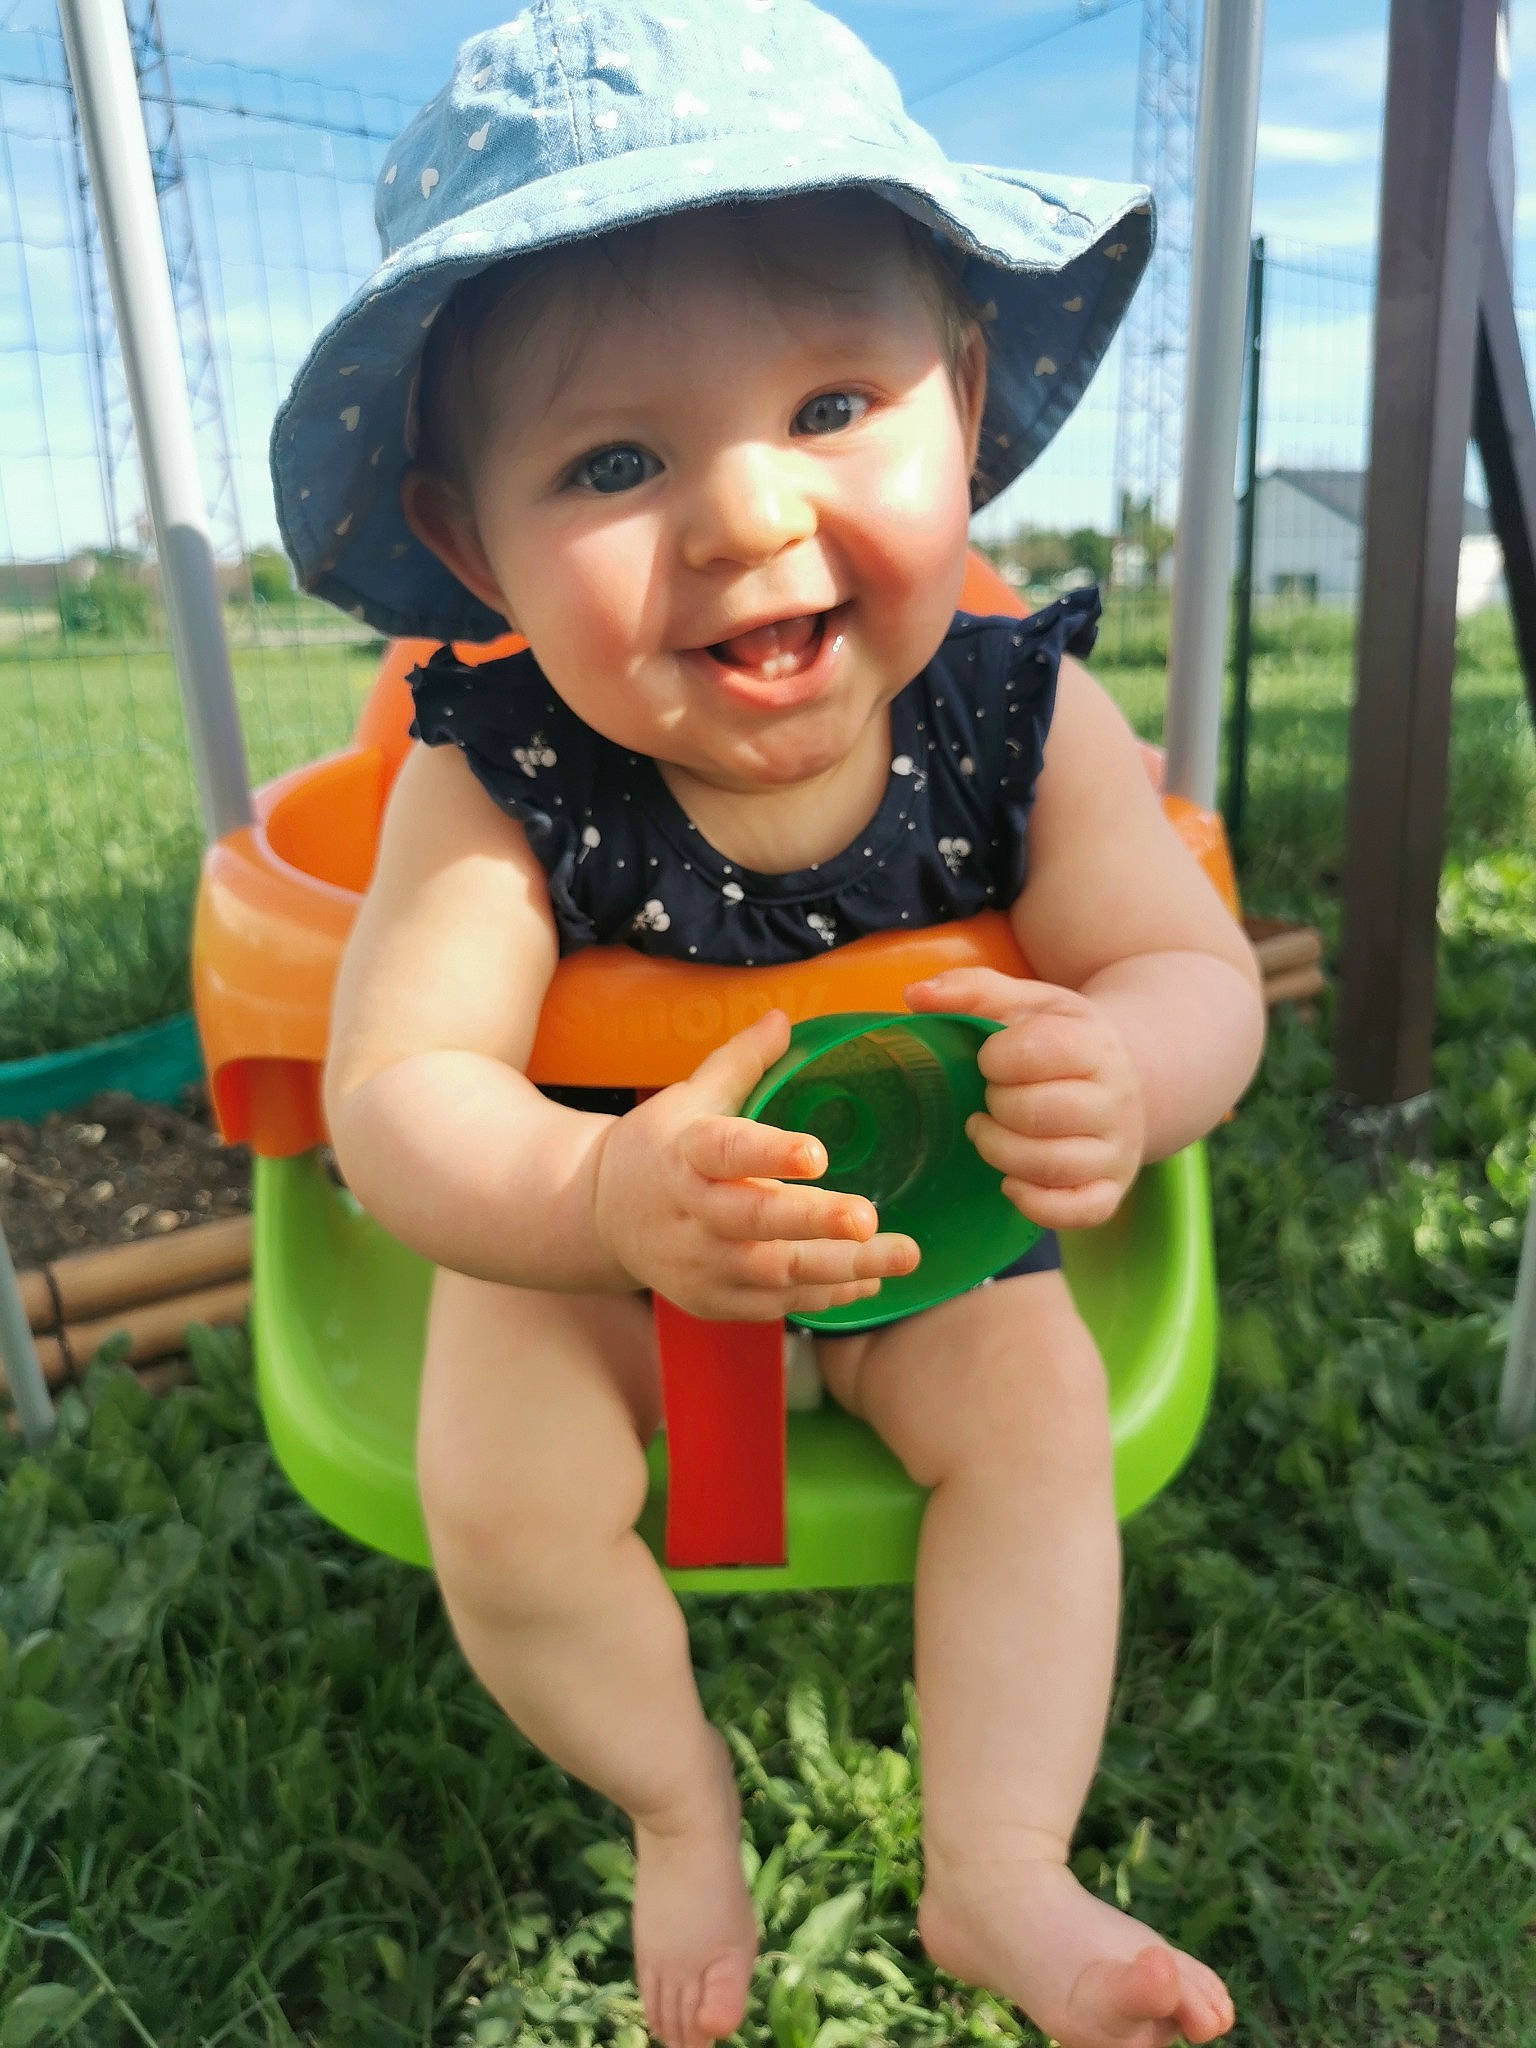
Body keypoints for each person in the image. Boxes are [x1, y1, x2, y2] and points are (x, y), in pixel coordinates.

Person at [271, 5, 1264, 2044]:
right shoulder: (498, 777)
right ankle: (675, 1802)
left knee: (1037, 1419)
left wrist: (1135, 1065)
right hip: (609, 1276)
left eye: (830, 403)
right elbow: (396, 1094)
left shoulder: (1022, 717)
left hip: (926, 1252)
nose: (742, 514)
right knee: (500, 1475)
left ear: (962, 408)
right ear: (477, 545)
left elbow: (1190, 969)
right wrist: (598, 1189)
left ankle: (998, 1866)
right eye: (616, 462)